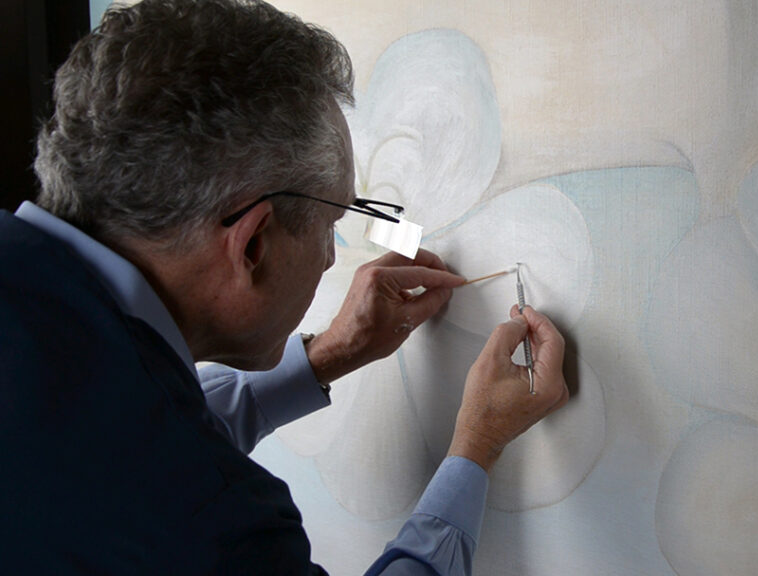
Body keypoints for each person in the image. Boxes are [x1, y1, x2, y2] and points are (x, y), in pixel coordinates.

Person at [0, 1, 569, 574]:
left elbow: (113, 442)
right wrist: (478, 443)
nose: (330, 259)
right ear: (252, 245)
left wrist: (328, 355)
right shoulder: (210, 527)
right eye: (332, 225)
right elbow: (146, 465)